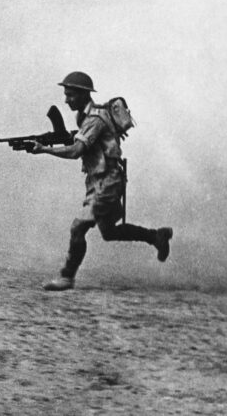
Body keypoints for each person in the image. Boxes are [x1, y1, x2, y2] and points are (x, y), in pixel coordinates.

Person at [27, 71, 173, 291]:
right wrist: (54, 138)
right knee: (109, 232)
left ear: (84, 94)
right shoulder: (85, 118)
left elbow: (77, 151)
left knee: (78, 228)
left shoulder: (95, 119)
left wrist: (44, 149)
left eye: (70, 95)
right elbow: (83, 141)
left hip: (108, 181)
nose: (66, 100)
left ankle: (67, 277)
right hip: (99, 180)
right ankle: (156, 236)